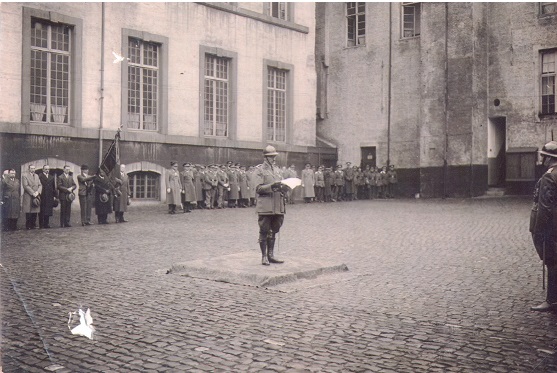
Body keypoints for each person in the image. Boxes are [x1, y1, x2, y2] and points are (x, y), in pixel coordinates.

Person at [530, 141, 557, 312]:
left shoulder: (549, 176)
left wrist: (540, 230)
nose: (542, 160)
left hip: (549, 227)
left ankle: (551, 300)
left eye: (543, 156)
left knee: (552, 261)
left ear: (549, 158)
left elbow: (545, 207)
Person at [255, 145, 290, 265]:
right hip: (266, 206)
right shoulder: (259, 170)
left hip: (278, 205)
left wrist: (285, 188)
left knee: (274, 229)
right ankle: (264, 256)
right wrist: (272, 186)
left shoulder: (277, 170)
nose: (274, 159)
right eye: (271, 157)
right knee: (264, 230)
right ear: (265, 158)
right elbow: (258, 188)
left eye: (274, 156)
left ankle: (271, 255)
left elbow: (281, 185)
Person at [22, 164, 41, 229]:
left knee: (35, 210)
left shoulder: (37, 176)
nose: (33, 170)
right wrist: (33, 193)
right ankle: (28, 225)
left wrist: (38, 192)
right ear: (29, 169)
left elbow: (40, 185)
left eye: (34, 168)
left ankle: (33, 224)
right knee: (28, 211)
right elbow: (25, 186)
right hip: (28, 195)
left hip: (36, 195)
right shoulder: (25, 176)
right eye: (31, 168)